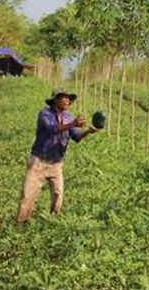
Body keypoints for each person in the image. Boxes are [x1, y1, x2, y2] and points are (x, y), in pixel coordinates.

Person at [16, 88, 100, 223]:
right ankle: (20, 224)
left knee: (58, 195)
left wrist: (88, 131)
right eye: (64, 98)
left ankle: (52, 223)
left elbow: (76, 137)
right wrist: (73, 124)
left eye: (69, 98)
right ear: (55, 100)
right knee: (28, 196)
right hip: (39, 162)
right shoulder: (45, 113)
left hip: (56, 164)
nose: (67, 100)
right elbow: (52, 129)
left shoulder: (69, 117)